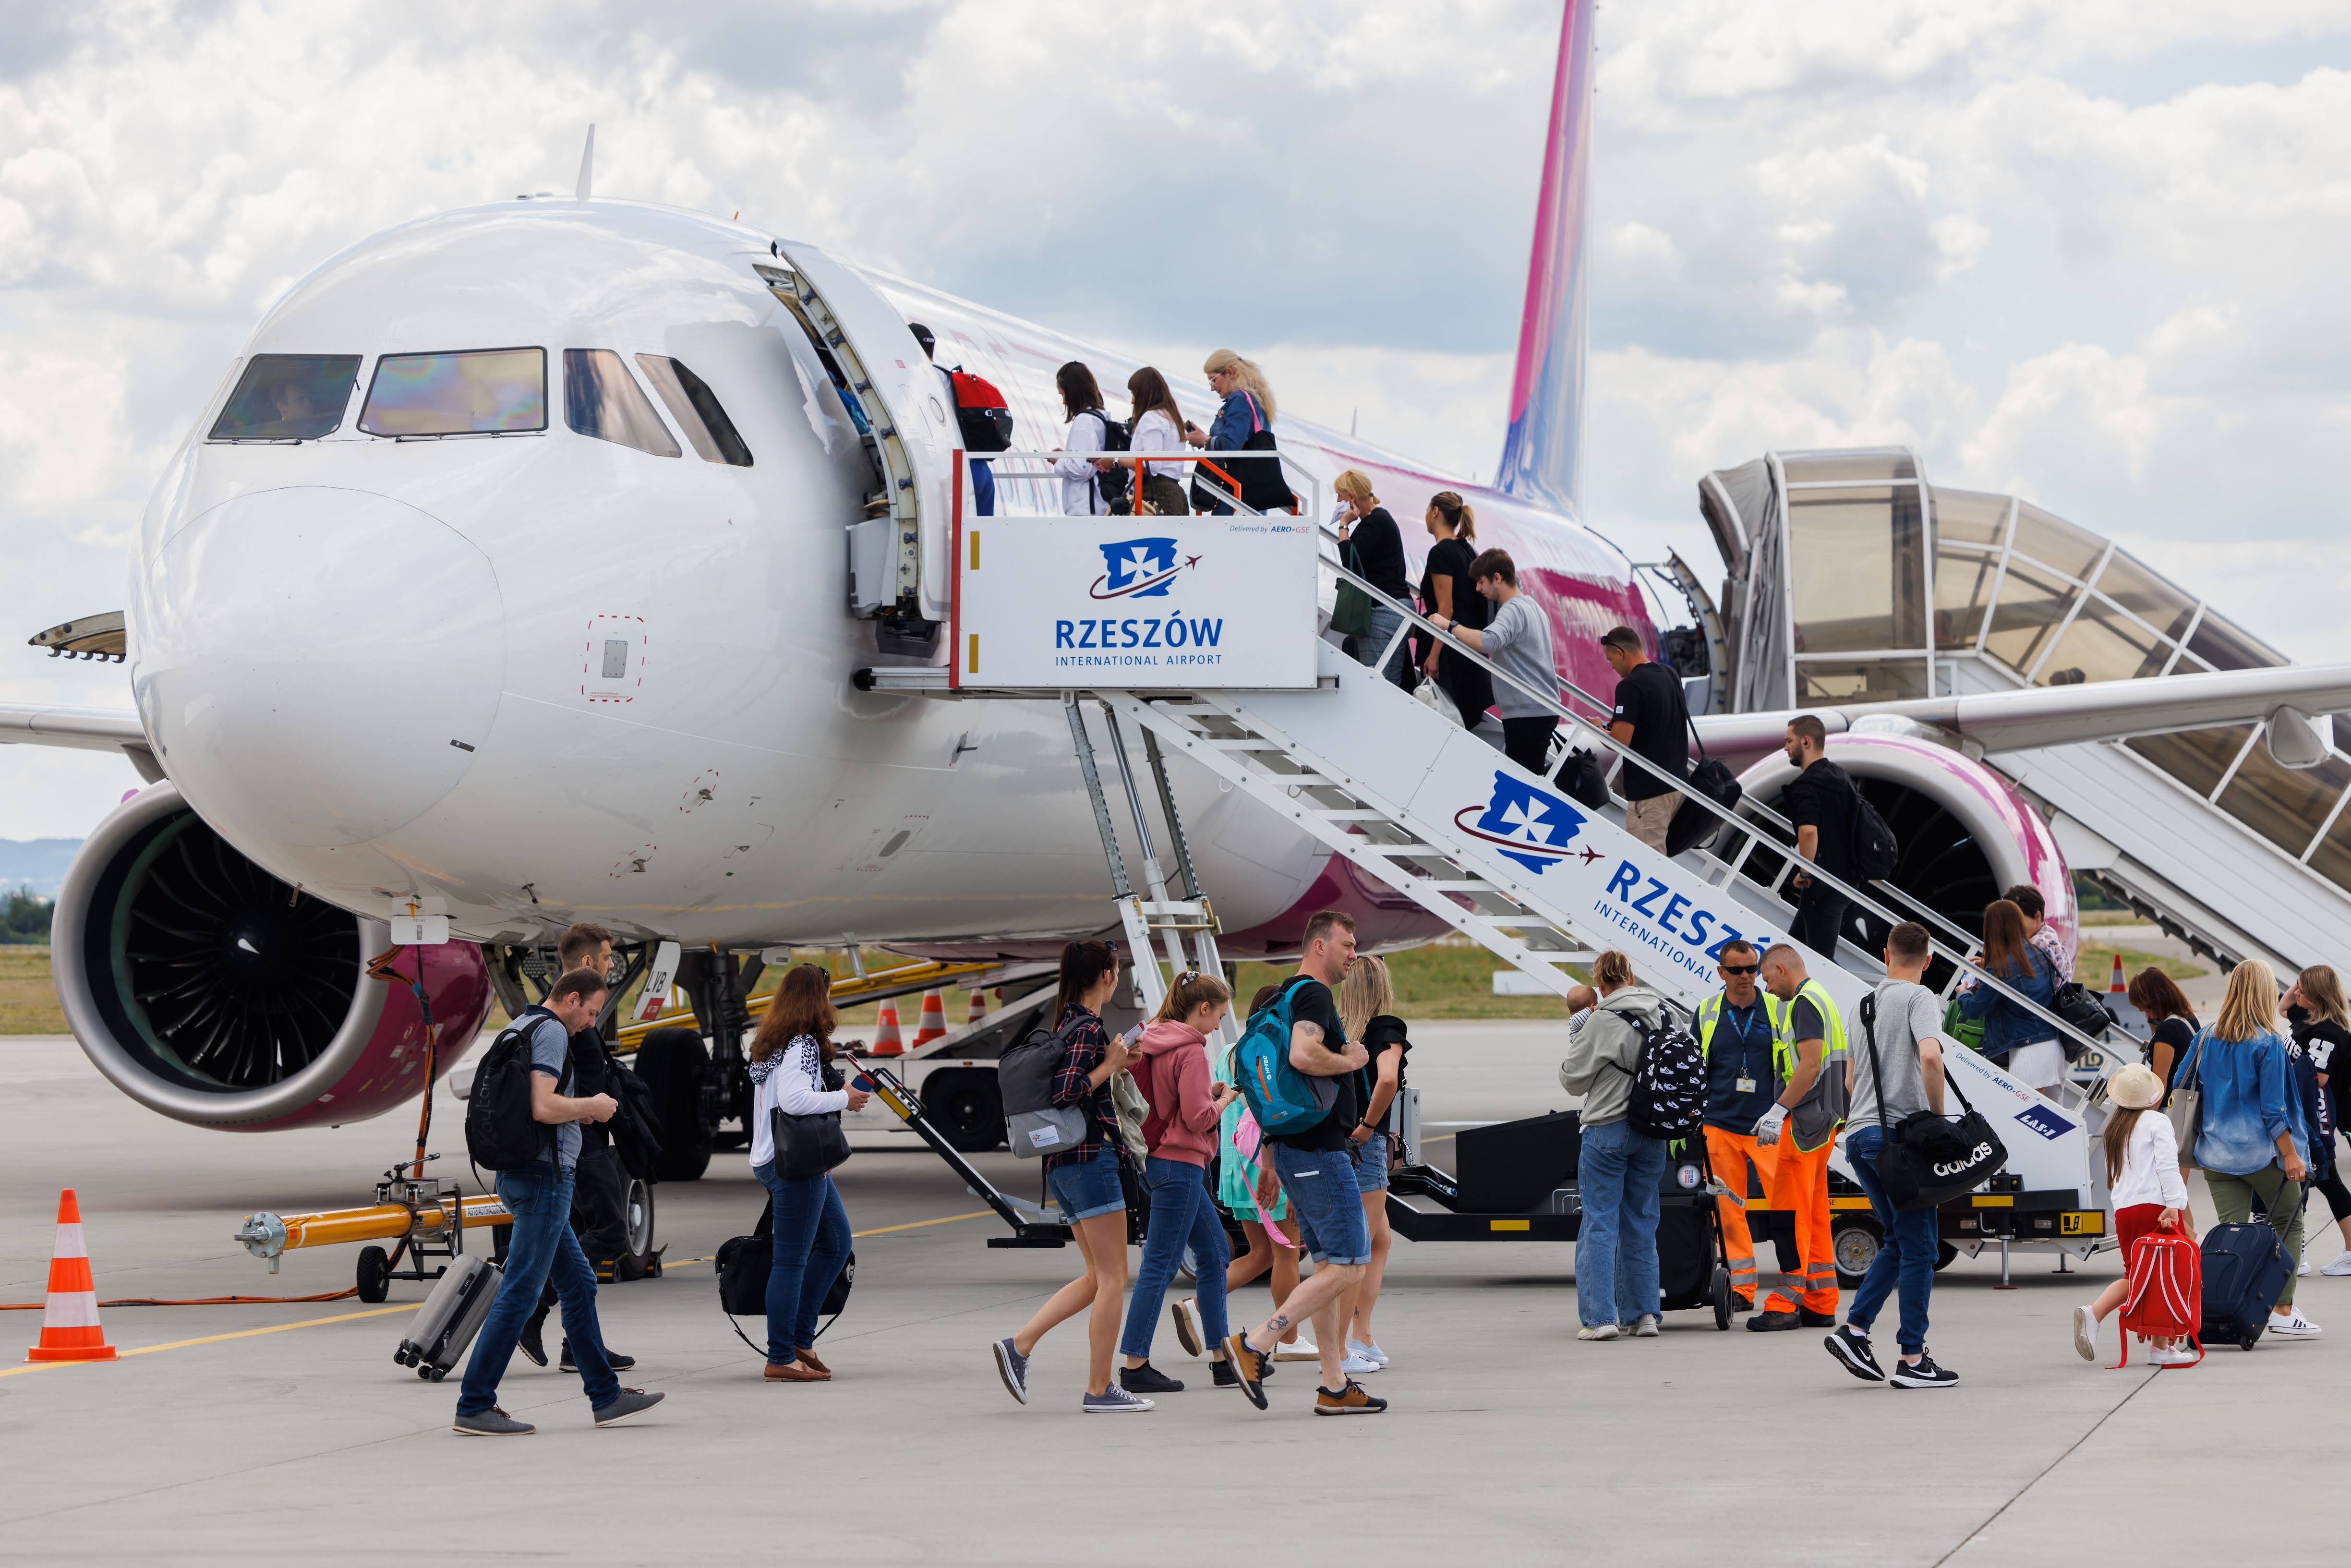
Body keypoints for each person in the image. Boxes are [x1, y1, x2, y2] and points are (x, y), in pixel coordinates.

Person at [453, 968, 663, 1435]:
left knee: (580, 1282)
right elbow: (543, 1106)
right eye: (590, 1011)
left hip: (521, 1173)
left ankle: (605, 1396)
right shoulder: (550, 1033)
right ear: (571, 999)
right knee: (521, 1291)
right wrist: (593, 1105)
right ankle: (474, 1403)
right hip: (544, 1179)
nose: (591, 1022)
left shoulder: (519, 1025)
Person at [1221, 911, 1388, 1415]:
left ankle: (1334, 1385)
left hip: (1294, 1148)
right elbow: (1301, 1056)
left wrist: (1271, 1157)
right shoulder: (1313, 994)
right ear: (1319, 945)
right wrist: (1353, 1060)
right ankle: (1254, 1342)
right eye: (1347, 943)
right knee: (1348, 1263)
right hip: (1319, 1149)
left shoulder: (1279, 996)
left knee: (1327, 1264)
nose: (1353, 953)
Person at [992, 941, 1151, 1411]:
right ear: (1106, 975)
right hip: (1090, 1160)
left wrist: (1117, 1063)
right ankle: (1100, 1388)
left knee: (1095, 1276)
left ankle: (1018, 1346)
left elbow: (1081, 1080)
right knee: (1114, 1277)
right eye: (1116, 970)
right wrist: (1109, 1064)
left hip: (1066, 1164)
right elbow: (1068, 1091)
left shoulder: (1065, 1022)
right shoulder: (1088, 1025)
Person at [1824, 921, 1959, 1388]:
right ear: (1927, 959)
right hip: (1898, 1141)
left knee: (1900, 1241)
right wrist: (1938, 1121)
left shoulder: (1861, 1003)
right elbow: (1930, 1057)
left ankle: (1856, 1330)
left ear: (1885, 955)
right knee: (1922, 1247)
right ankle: (1912, 1356)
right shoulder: (1920, 999)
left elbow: (1847, 1081)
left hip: (1859, 1138)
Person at [517, 924, 638, 1374]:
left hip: (578, 1143)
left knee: (569, 1241)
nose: (611, 965)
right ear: (588, 964)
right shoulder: (565, 1021)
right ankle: (537, 1315)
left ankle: (576, 1342)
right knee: (607, 1230)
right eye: (607, 958)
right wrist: (593, 1108)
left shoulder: (565, 1014)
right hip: (578, 1144)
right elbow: (555, 1091)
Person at [1118, 970, 1242, 1394]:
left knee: (1213, 1253)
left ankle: (1223, 1359)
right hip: (1181, 1164)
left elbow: (1167, 1100)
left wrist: (1207, 1093)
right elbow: (1198, 1118)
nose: (1218, 1026)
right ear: (1202, 1009)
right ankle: (1135, 1365)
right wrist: (1224, 1099)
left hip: (1155, 1159)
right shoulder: (1192, 1049)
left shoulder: (1153, 1036)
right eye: (1218, 1016)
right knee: (1161, 1264)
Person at [2184, 958, 2318, 1337]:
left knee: (2231, 1233)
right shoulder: (2268, 1043)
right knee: (2286, 1221)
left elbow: (2181, 1083)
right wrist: (2291, 1154)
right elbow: (2273, 1110)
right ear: (2263, 993)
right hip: (2260, 1155)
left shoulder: (2205, 1036)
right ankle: (2281, 1308)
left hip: (2214, 1155)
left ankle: (2228, 1303)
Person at [747, 964, 868, 1383]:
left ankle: (799, 1339)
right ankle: (781, 1355)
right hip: (793, 1164)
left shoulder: (773, 1043)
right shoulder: (801, 1045)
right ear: (818, 999)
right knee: (792, 1261)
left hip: (776, 1159)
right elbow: (795, 1101)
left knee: (836, 1242)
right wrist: (843, 1098)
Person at [1558, 950, 1668, 1340]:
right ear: (1631, 977)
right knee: (1642, 1222)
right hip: (1654, 1130)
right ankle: (1644, 1315)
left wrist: (1577, 1036)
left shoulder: (1601, 1019)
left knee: (1599, 1224)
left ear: (1599, 984)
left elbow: (1572, 1080)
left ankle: (1600, 1318)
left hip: (1607, 1128)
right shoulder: (1664, 1012)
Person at [1747, 943, 1846, 1331]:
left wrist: (1777, 1111)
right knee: (1814, 1215)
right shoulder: (1822, 998)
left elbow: (1808, 1065)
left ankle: (1784, 1304)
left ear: (1782, 969)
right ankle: (1820, 1302)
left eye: (1768, 978)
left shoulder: (1804, 1002)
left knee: (1788, 1217)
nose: (1767, 988)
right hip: (1822, 1122)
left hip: (1803, 1124)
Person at [2070, 1062, 2194, 1366]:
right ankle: (2153, 1344)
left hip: (2126, 1210)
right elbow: (2168, 1166)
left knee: (2140, 1274)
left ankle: (2151, 1341)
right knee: (2164, 1275)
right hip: (2156, 1207)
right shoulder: (2157, 1121)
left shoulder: (2117, 1126)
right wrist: (2176, 1205)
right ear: (2154, 1095)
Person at [1693, 940, 1784, 1313]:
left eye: (1751, 969)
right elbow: (1697, 1068)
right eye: (1736, 970)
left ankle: (1800, 1285)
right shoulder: (1706, 1011)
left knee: (1790, 1207)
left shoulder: (1779, 1007)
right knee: (1727, 1212)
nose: (1746, 976)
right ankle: (1741, 1291)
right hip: (1719, 1126)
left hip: (1770, 1127)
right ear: (1721, 973)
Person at [1431, 548, 1558, 776]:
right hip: (1538, 710)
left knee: (1522, 784)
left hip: (1526, 714)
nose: (1478, 589)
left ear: (1497, 578)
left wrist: (1449, 626)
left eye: (1481, 582)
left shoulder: (1512, 610)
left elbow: (1488, 641)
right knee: (1525, 781)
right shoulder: (1533, 607)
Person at [1338, 953, 1408, 1369]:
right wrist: (1369, 1126)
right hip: (1363, 1144)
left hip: (1341, 1141)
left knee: (1380, 1239)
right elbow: (1386, 1078)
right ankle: (1343, 1345)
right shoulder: (1386, 1028)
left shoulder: (1340, 1028)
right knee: (1358, 1249)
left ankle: (1362, 1335)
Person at [1957, 899, 2064, 1097]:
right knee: (2053, 1127)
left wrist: (1962, 992)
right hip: (2053, 1047)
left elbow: (1974, 1010)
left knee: (2017, 1124)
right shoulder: (2038, 953)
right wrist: (1988, 969)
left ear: (1992, 929)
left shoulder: (2001, 968)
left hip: (2029, 1055)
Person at [2283, 965, 2351, 1274]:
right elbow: (2284, 1007)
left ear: (2318, 995)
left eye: (2302, 989)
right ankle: (2305, 1252)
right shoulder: (2309, 1020)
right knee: (2326, 1180)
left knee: (2309, 1178)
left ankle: (2297, 1254)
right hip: (2303, 1112)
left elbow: (2318, 1079)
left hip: (2315, 1114)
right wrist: (2301, 979)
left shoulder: (2326, 1032)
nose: (2296, 993)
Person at [1600, 625, 1690, 854]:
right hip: (1676, 784)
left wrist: (1597, 729)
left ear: (1621, 653)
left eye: (1611, 660)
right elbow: (1652, 721)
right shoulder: (1669, 674)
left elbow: (1620, 742)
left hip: (1651, 793)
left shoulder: (1629, 686)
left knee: (1646, 862)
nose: (1612, 666)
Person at [1780, 715, 1857, 962]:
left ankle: (1860, 1001)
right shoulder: (1840, 777)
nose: (1785, 748)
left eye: (1789, 741)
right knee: (1792, 953)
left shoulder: (1807, 785)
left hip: (1824, 885)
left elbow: (1808, 831)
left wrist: (1805, 872)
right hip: (1845, 881)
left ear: (1805, 741)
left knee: (1820, 962)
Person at [1417, 492, 1493, 726]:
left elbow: (1446, 610)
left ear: (1436, 512)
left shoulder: (1441, 553)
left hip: (1451, 653)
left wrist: (1433, 654)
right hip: (1470, 647)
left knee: (1440, 724)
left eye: (1428, 510)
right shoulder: (1468, 551)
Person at [1332, 469, 1410, 688]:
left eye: (1340, 496)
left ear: (1352, 498)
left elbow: (1350, 562)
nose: (1338, 501)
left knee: (1378, 685)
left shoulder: (1374, 522)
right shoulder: (1378, 520)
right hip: (1392, 607)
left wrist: (1344, 525)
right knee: (1387, 682)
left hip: (1384, 609)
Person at [909, 322, 992, 517]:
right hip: (980, 468)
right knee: (983, 543)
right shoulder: (950, 377)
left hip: (954, 473)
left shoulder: (922, 378)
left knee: (952, 544)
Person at [1183, 349, 1276, 515]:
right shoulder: (1256, 400)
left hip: (1235, 494)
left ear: (1230, 373)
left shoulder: (1239, 399)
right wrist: (1207, 439)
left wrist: (1205, 440)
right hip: (1254, 492)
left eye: (1213, 380)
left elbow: (1231, 445)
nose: (1212, 388)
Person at [1051, 362, 1116, 517]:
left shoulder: (1084, 422)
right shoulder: (1099, 417)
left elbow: (1081, 468)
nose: (1064, 401)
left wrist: (1059, 461)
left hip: (1085, 508)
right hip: (1095, 505)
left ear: (1073, 392)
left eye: (1063, 394)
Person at [2127, 967, 2199, 1101]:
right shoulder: (2188, 1018)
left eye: (2141, 1004)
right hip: (2186, 1105)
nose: (2141, 1009)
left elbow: (2159, 1084)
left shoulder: (2168, 1030)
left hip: (2168, 1109)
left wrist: (2149, 1118)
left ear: (2153, 1000)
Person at [1125, 367, 1189, 516]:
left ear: (1145, 394)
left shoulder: (1151, 418)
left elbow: (1152, 464)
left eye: (1134, 394)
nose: (1133, 401)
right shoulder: (1173, 418)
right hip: (1174, 493)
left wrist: (1117, 461)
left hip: (1153, 493)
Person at [2003, 883, 2073, 982]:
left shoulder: (2040, 944)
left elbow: (2019, 980)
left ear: (2037, 916)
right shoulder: (2050, 934)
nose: (2013, 927)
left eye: (2019, 921)